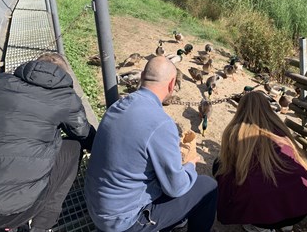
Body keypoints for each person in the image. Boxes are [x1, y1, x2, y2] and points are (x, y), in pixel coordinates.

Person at [0, 53, 96, 232]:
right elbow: (84, 135)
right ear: (64, 76)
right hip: (13, 214)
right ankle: (42, 225)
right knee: (73, 148)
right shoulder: (65, 97)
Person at [85, 56, 217, 232]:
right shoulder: (161, 123)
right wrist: (191, 165)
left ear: (141, 78)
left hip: (96, 206)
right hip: (123, 222)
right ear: (171, 85)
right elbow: (176, 188)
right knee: (207, 186)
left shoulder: (118, 105)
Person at [214, 91, 307, 232]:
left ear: (241, 109)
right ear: (267, 107)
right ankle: (286, 223)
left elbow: (228, 167)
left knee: (219, 165)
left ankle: (259, 225)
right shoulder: (281, 129)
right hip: (304, 205)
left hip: (265, 210)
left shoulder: (235, 131)